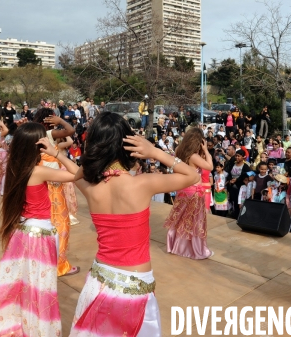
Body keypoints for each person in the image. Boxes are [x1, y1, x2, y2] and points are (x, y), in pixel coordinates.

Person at [69, 112, 199, 335]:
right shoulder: (142, 184)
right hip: (134, 286)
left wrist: (91, 157)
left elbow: (77, 174)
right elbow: (192, 175)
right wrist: (155, 152)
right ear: (128, 146)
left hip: (99, 281)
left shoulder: (90, 188)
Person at [0, 122, 79, 336]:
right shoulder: (38, 171)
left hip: (23, 231)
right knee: (40, 286)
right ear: (38, 146)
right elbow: (78, 174)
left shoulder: (16, 167)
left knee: (19, 282)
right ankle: (37, 328)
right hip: (40, 235)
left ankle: (16, 320)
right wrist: (57, 154)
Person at [33, 108, 78, 276]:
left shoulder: (32, 134)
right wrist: (61, 121)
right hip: (54, 186)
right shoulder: (48, 133)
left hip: (38, 184)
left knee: (42, 224)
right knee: (61, 224)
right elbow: (71, 131)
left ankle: (42, 262)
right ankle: (59, 264)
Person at [164, 128, 214, 260]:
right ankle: (191, 249)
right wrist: (206, 151)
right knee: (194, 222)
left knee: (180, 219)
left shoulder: (178, 151)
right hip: (194, 192)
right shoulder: (194, 156)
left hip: (181, 190)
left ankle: (176, 246)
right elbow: (210, 167)